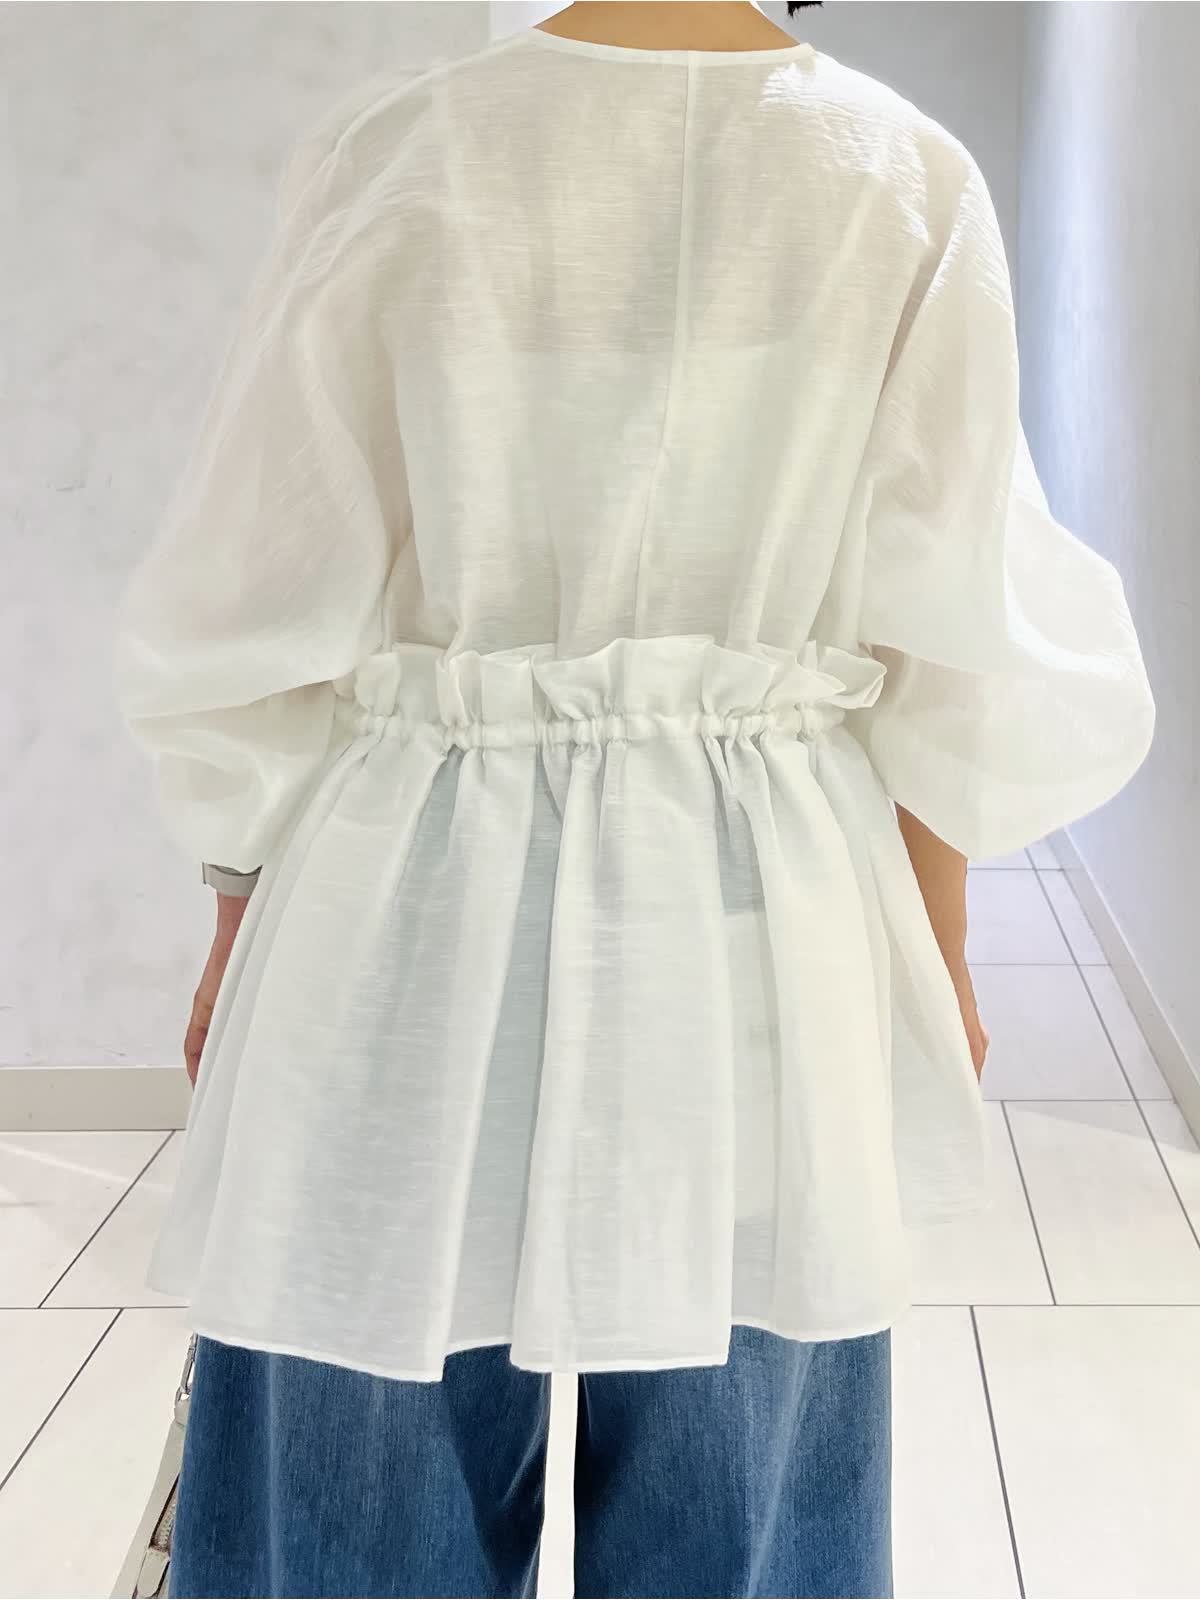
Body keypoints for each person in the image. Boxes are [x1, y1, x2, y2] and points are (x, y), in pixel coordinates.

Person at [110, 3, 1155, 1595]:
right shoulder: (901, 177)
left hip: (404, 910)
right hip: (768, 921)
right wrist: (937, 954)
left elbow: (263, 580)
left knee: (353, 1509)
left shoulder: (403, 149)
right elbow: (951, 626)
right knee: (746, 1527)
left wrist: (236, 904)